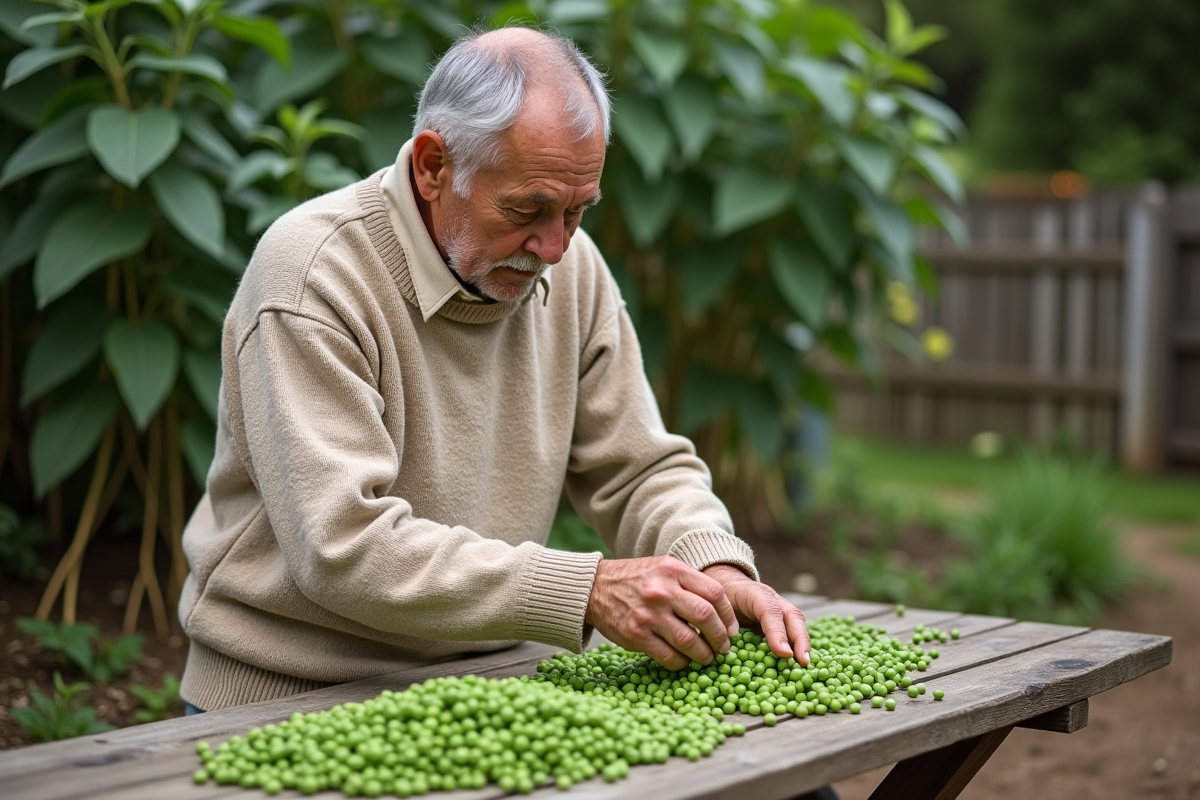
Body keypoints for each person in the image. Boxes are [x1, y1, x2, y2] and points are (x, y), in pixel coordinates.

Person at [178, 25, 811, 718]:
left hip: (501, 686)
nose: (555, 247)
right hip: (299, 695)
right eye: (527, 210)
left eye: (577, 211)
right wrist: (588, 591)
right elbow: (344, 547)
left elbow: (640, 471)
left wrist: (711, 566)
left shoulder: (572, 270)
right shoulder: (311, 276)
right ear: (432, 166)